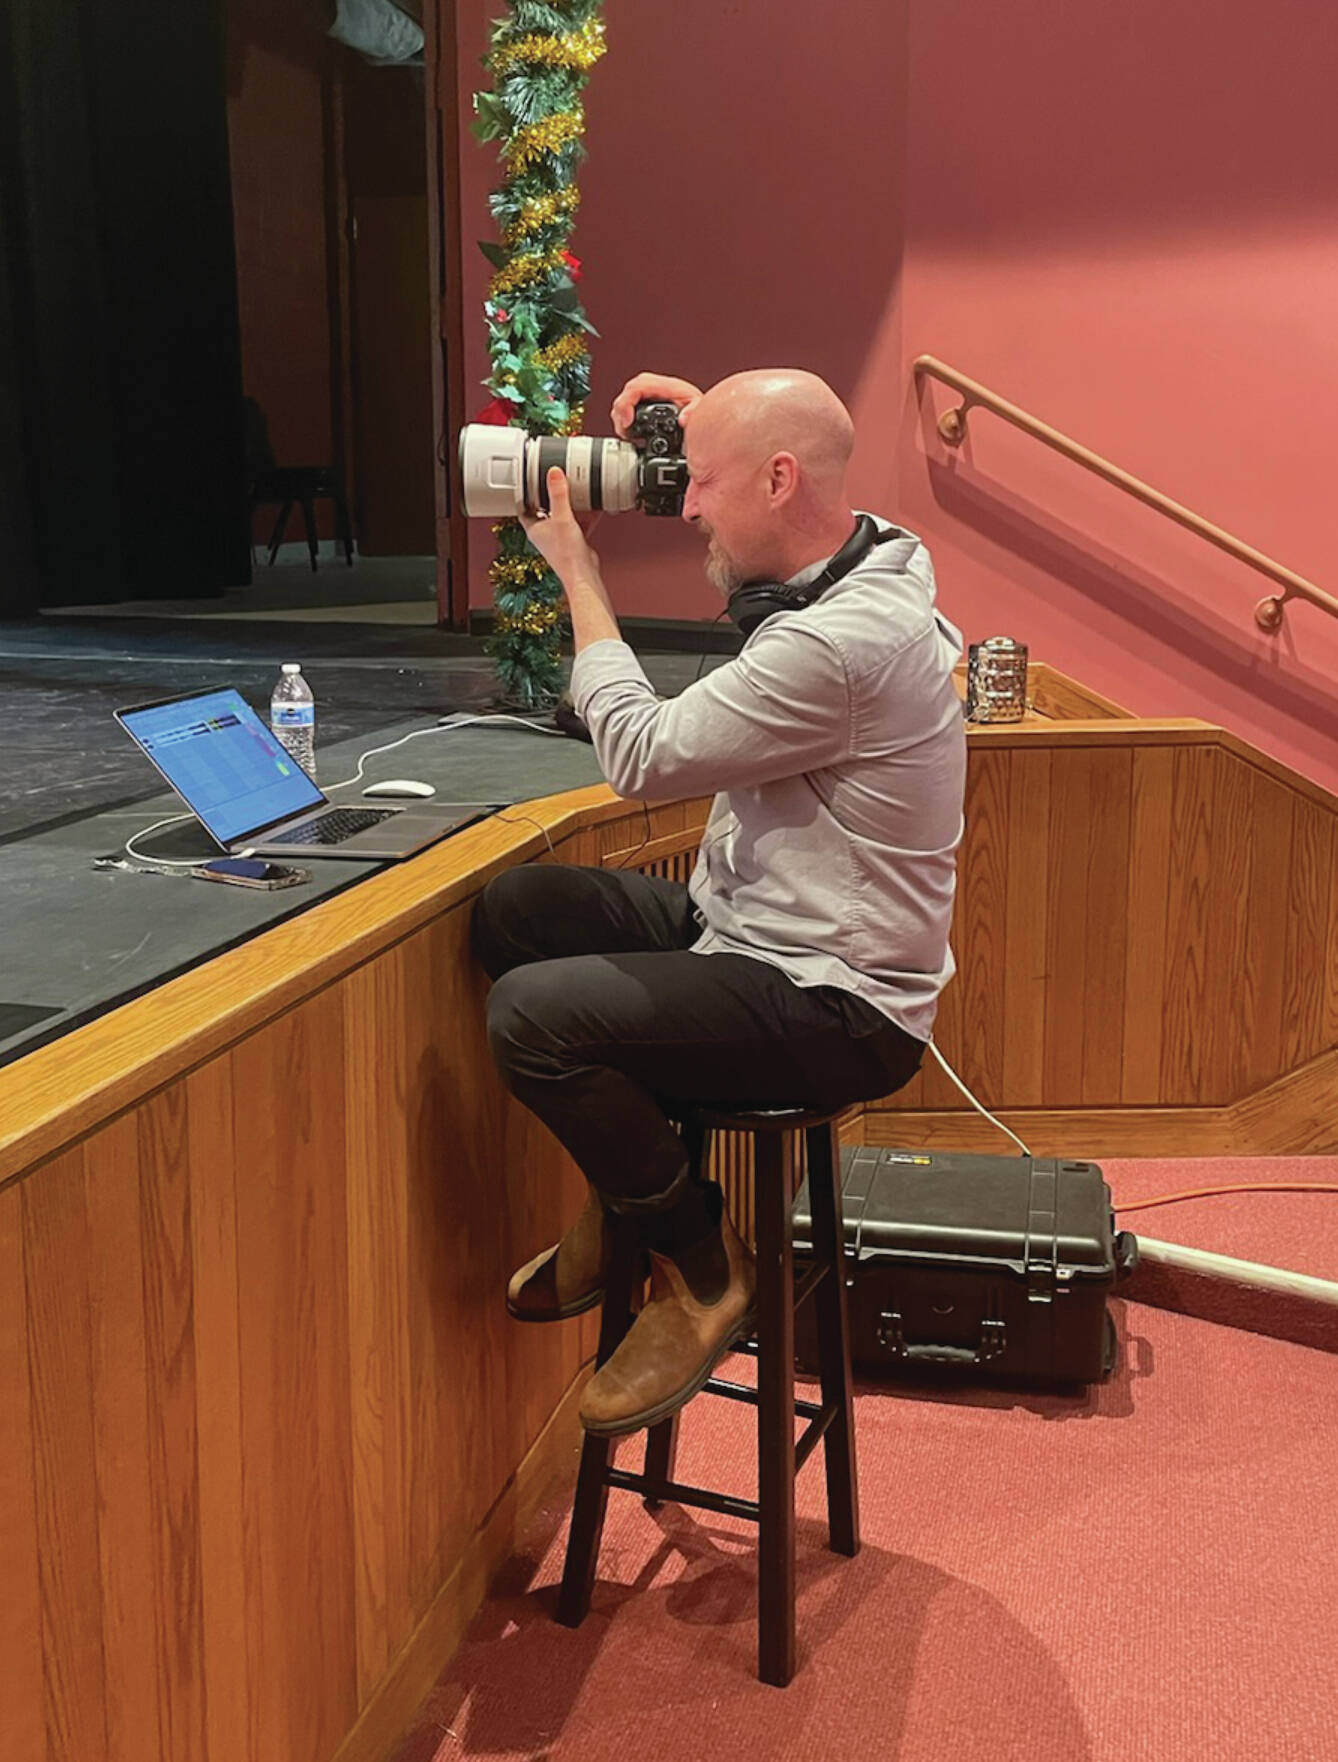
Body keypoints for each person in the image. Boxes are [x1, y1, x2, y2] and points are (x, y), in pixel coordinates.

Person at [471, 367, 967, 1438]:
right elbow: (788, 448)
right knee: (515, 913)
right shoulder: (872, 548)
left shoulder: (837, 644)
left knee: (532, 1019)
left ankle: (698, 1264)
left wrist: (580, 578)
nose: (685, 505)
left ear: (780, 480)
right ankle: (628, 1204)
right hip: (750, 928)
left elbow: (643, 757)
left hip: (836, 1001)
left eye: (699, 484)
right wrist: (701, 417)